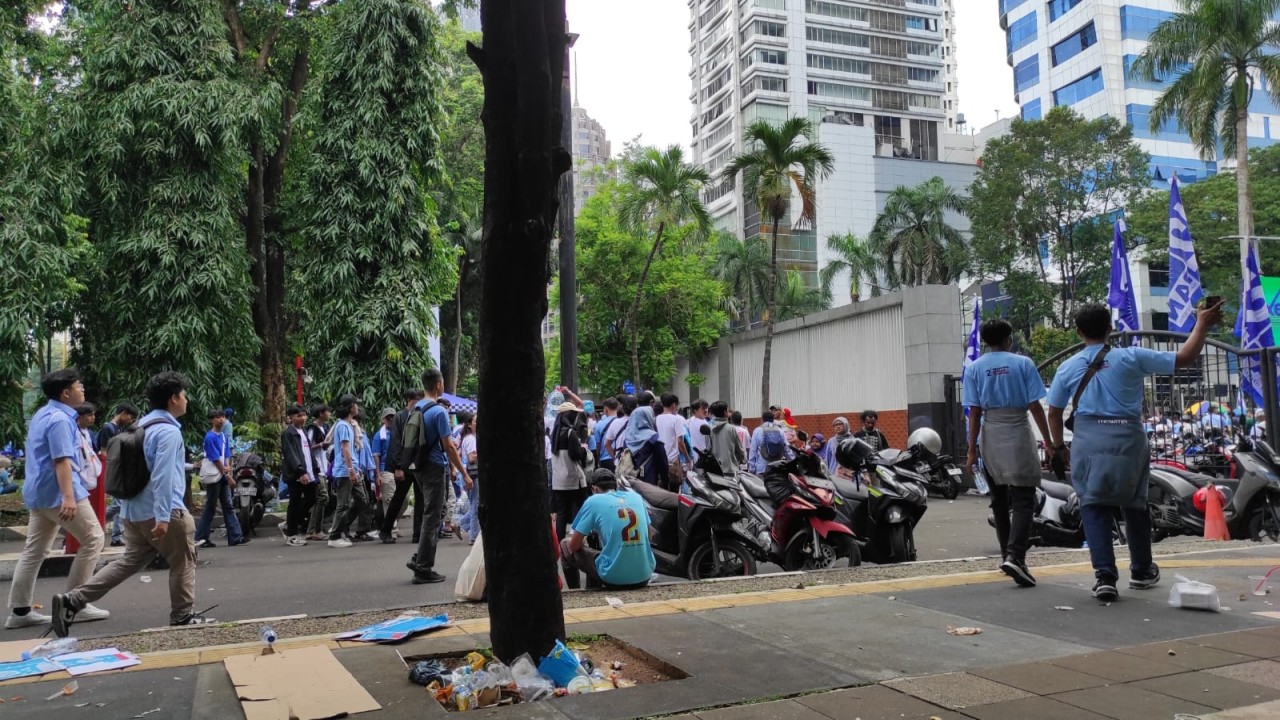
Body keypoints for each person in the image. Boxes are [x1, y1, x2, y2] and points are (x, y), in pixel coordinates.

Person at [1047, 301, 1222, 602]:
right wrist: (1202, 324)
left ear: (1078, 332)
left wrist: (1058, 446)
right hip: (1128, 438)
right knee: (1135, 504)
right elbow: (1184, 357)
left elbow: (1054, 413)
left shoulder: (1068, 367)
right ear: (1110, 328)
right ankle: (1141, 570)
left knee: (1093, 505)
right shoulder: (1131, 357)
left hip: (1088, 440)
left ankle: (1104, 576)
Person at [53, 371, 211, 636]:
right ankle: (182, 617)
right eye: (184, 395)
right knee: (183, 560)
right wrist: (163, 517)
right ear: (173, 399)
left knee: (128, 562)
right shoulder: (168, 432)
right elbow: (162, 477)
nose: (186, 400)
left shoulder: (140, 427)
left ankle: (74, 599)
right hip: (163, 512)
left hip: (132, 512)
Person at [7, 369, 109, 630]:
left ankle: (19, 612)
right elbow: (61, 461)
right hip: (58, 493)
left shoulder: (43, 413)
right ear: (66, 393)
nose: (82, 389)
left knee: (34, 551)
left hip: (38, 493)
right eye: (79, 386)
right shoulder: (61, 420)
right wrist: (68, 497)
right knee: (94, 539)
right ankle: (75, 603)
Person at [962, 318, 1051, 588]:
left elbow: (974, 412)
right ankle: (1016, 556)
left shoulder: (975, 368)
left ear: (987, 341)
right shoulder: (1023, 363)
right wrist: (1049, 441)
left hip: (991, 434)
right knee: (1024, 499)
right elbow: (1035, 406)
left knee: (999, 501)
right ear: (1009, 338)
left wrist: (971, 451)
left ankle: (1007, 555)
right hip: (1018, 430)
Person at [407, 369, 472, 584]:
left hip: (418, 466)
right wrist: (463, 473)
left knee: (433, 511)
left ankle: (420, 557)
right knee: (432, 516)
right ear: (438, 385)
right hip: (434, 466)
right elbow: (449, 446)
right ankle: (423, 568)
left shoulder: (417, 407)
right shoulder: (439, 412)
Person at [560, 469, 656, 589]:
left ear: (594, 489)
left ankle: (575, 592)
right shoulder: (636, 497)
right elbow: (649, 535)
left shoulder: (593, 501)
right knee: (599, 554)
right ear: (616, 486)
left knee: (565, 544)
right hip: (644, 575)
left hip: (614, 578)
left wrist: (584, 537)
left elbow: (573, 546)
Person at [195, 409, 247, 548]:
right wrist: (226, 474)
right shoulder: (209, 437)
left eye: (222, 417)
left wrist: (228, 469)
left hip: (222, 473)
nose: (221, 419)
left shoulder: (223, 436)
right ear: (211, 420)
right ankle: (201, 537)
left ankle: (236, 536)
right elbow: (214, 458)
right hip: (215, 475)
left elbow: (227, 453)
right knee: (211, 507)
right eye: (217, 417)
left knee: (228, 506)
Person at [551, 402, 591, 587]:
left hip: (559, 479)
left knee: (561, 514)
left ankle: (558, 543)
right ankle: (577, 539)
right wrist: (583, 449)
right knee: (577, 512)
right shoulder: (570, 433)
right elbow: (577, 455)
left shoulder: (554, 433)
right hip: (573, 479)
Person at [381, 389, 425, 544]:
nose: (419, 402)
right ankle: (385, 530)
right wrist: (398, 466)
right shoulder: (400, 417)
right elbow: (395, 443)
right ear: (409, 400)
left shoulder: (421, 415)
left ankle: (418, 533)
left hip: (418, 464)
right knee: (398, 498)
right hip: (404, 465)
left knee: (421, 499)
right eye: (417, 400)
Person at [326, 395, 370, 548]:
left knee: (362, 499)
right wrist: (351, 469)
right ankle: (335, 536)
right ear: (350, 408)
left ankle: (342, 527)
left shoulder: (349, 425)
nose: (357, 407)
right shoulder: (343, 426)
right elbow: (345, 449)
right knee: (343, 504)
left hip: (352, 468)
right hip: (345, 470)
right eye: (355, 405)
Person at [96, 403, 139, 547]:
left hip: (117, 470)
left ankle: (116, 536)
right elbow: (104, 452)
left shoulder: (118, 429)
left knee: (119, 504)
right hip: (112, 470)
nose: (130, 421)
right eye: (130, 418)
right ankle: (97, 521)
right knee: (119, 504)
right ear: (123, 413)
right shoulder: (108, 429)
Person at [279, 405, 316, 547]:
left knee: (312, 498)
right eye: (299, 416)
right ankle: (291, 533)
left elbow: (308, 452)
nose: (303, 418)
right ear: (291, 418)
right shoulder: (288, 434)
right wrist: (300, 471)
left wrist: (314, 468)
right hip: (295, 474)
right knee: (294, 501)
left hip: (308, 472)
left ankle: (290, 523)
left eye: (304, 415)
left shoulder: (304, 431)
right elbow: (291, 454)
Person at [304, 404, 333, 541]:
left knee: (320, 499)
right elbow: (307, 446)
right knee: (322, 497)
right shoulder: (313, 429)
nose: (329, 414)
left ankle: (313, 529)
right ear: (321, 413)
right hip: (316, 468)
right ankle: (315, 529)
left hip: (323, 467)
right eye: (328, 412)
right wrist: (321, 445)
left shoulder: (325, 428)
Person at [371, 408, 398, 535]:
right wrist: (377, 474)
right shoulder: (379, 435)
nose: (391, 420)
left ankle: (391, 524)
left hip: (397, 469)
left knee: (401, 499)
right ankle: (391, 529)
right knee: (389, 499)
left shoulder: (398, 432)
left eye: (393, 417)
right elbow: (376, 455)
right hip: (384, 469)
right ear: (383, 419)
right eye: (388, 418)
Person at [655, 394, 689, 491]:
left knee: (662, 489)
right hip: (672, 460)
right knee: (674, 489)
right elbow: (680, 441)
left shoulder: (656, 418)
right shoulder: (677, 419)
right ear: (674, 404)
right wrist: (687, 459)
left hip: (659, 459)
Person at [457, 415, 480, 543]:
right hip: (473, 475)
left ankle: (459, 524)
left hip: (469, 475)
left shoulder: (468, 438)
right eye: (476, 421)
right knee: (475, 505)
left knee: (475, 504)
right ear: (470, 424)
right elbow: (471, 458)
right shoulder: (471, 439)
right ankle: (474, 536)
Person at [708, 401, 745, 473]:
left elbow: (708, 448)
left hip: (715, 470)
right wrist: (742, 459)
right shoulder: (731, 428)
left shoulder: (710, 428)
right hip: (730, 470)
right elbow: (739, 448)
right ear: (725, 412)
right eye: (727, 410)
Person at [76, 404, 103, 492]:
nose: (93, 417)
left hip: (90, 469)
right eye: (90, 415)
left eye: (93, 415)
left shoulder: (91, 433)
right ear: (80, 417)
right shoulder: (74, 432)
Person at [591, 397, 621, 471]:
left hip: (605, 460)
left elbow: (597, 445)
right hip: (620, 459)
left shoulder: (599, 424)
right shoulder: (622, 422)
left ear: (606, 409)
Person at [748, 409, 779, 474]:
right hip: (776, 468)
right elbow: (786, 448)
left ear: (762, 419)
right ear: (773, 419)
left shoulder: (757, 430)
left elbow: (753, 450)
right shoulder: (779, 430)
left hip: (762, 468)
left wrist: (751, 468)